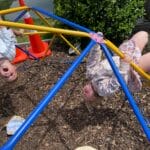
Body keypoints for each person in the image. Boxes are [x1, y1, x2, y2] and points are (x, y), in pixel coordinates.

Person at [83, 31, 150, 102]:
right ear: (95, 98)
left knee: (143, 34)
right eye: (87, 99)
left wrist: (96, 44)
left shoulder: (90, 74)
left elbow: (93, 59)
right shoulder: (102, 90)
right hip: (130, 69)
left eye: (82, 94)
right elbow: (117, 81)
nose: (84, 94)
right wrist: (124, 65)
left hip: (122, 54)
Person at [0, 16, 23, 82]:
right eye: (12, 74)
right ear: (14, 67)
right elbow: (3, 28)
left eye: (6, 77)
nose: (7, 74)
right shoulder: (10, 52)